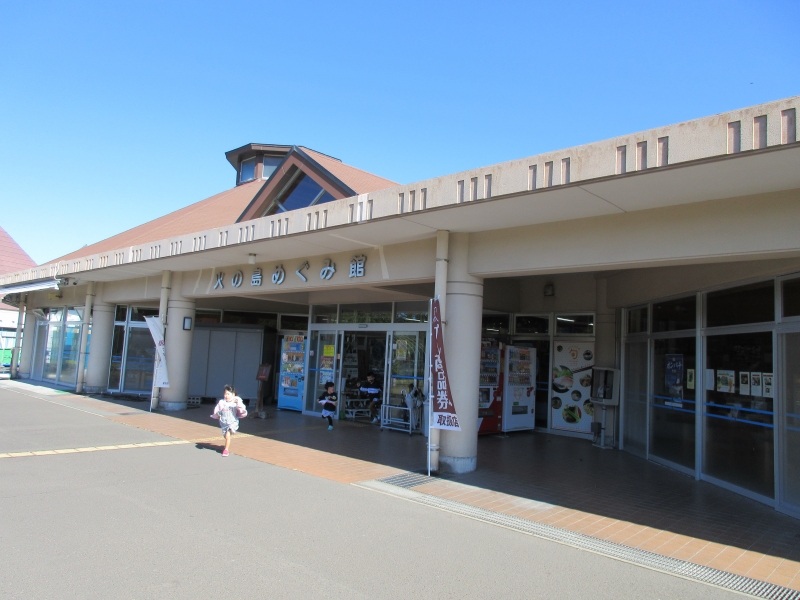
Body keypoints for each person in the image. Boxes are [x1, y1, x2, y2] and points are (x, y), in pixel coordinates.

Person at [210, 384, 247, 456]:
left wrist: (238, 404)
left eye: (228, 394)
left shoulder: (236, 401)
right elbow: (217, 410)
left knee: (227, 435)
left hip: (232, 422)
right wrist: (217, 413)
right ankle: (227, 443)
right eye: (225, 393)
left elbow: (242, 408)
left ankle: (226, 450)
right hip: (224, 422)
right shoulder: (221, 402)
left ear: (233, 394)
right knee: (225, 436)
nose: (226, 396)